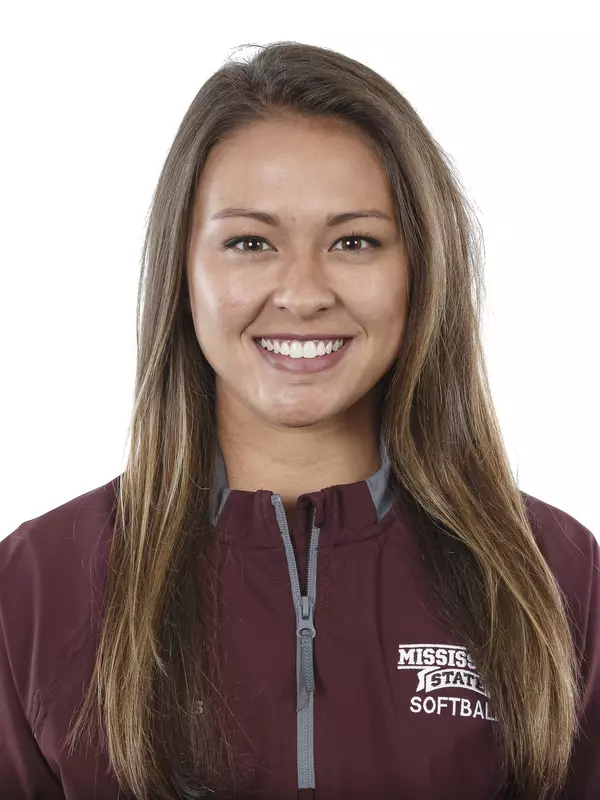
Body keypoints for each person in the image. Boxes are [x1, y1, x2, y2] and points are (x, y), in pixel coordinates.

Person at [0, 40, 598, 800]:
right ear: (184, 273)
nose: (304, 292)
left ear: (420, 271)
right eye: (251, 242)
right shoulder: (34, 586)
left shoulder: (554, 577)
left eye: (355, 241)